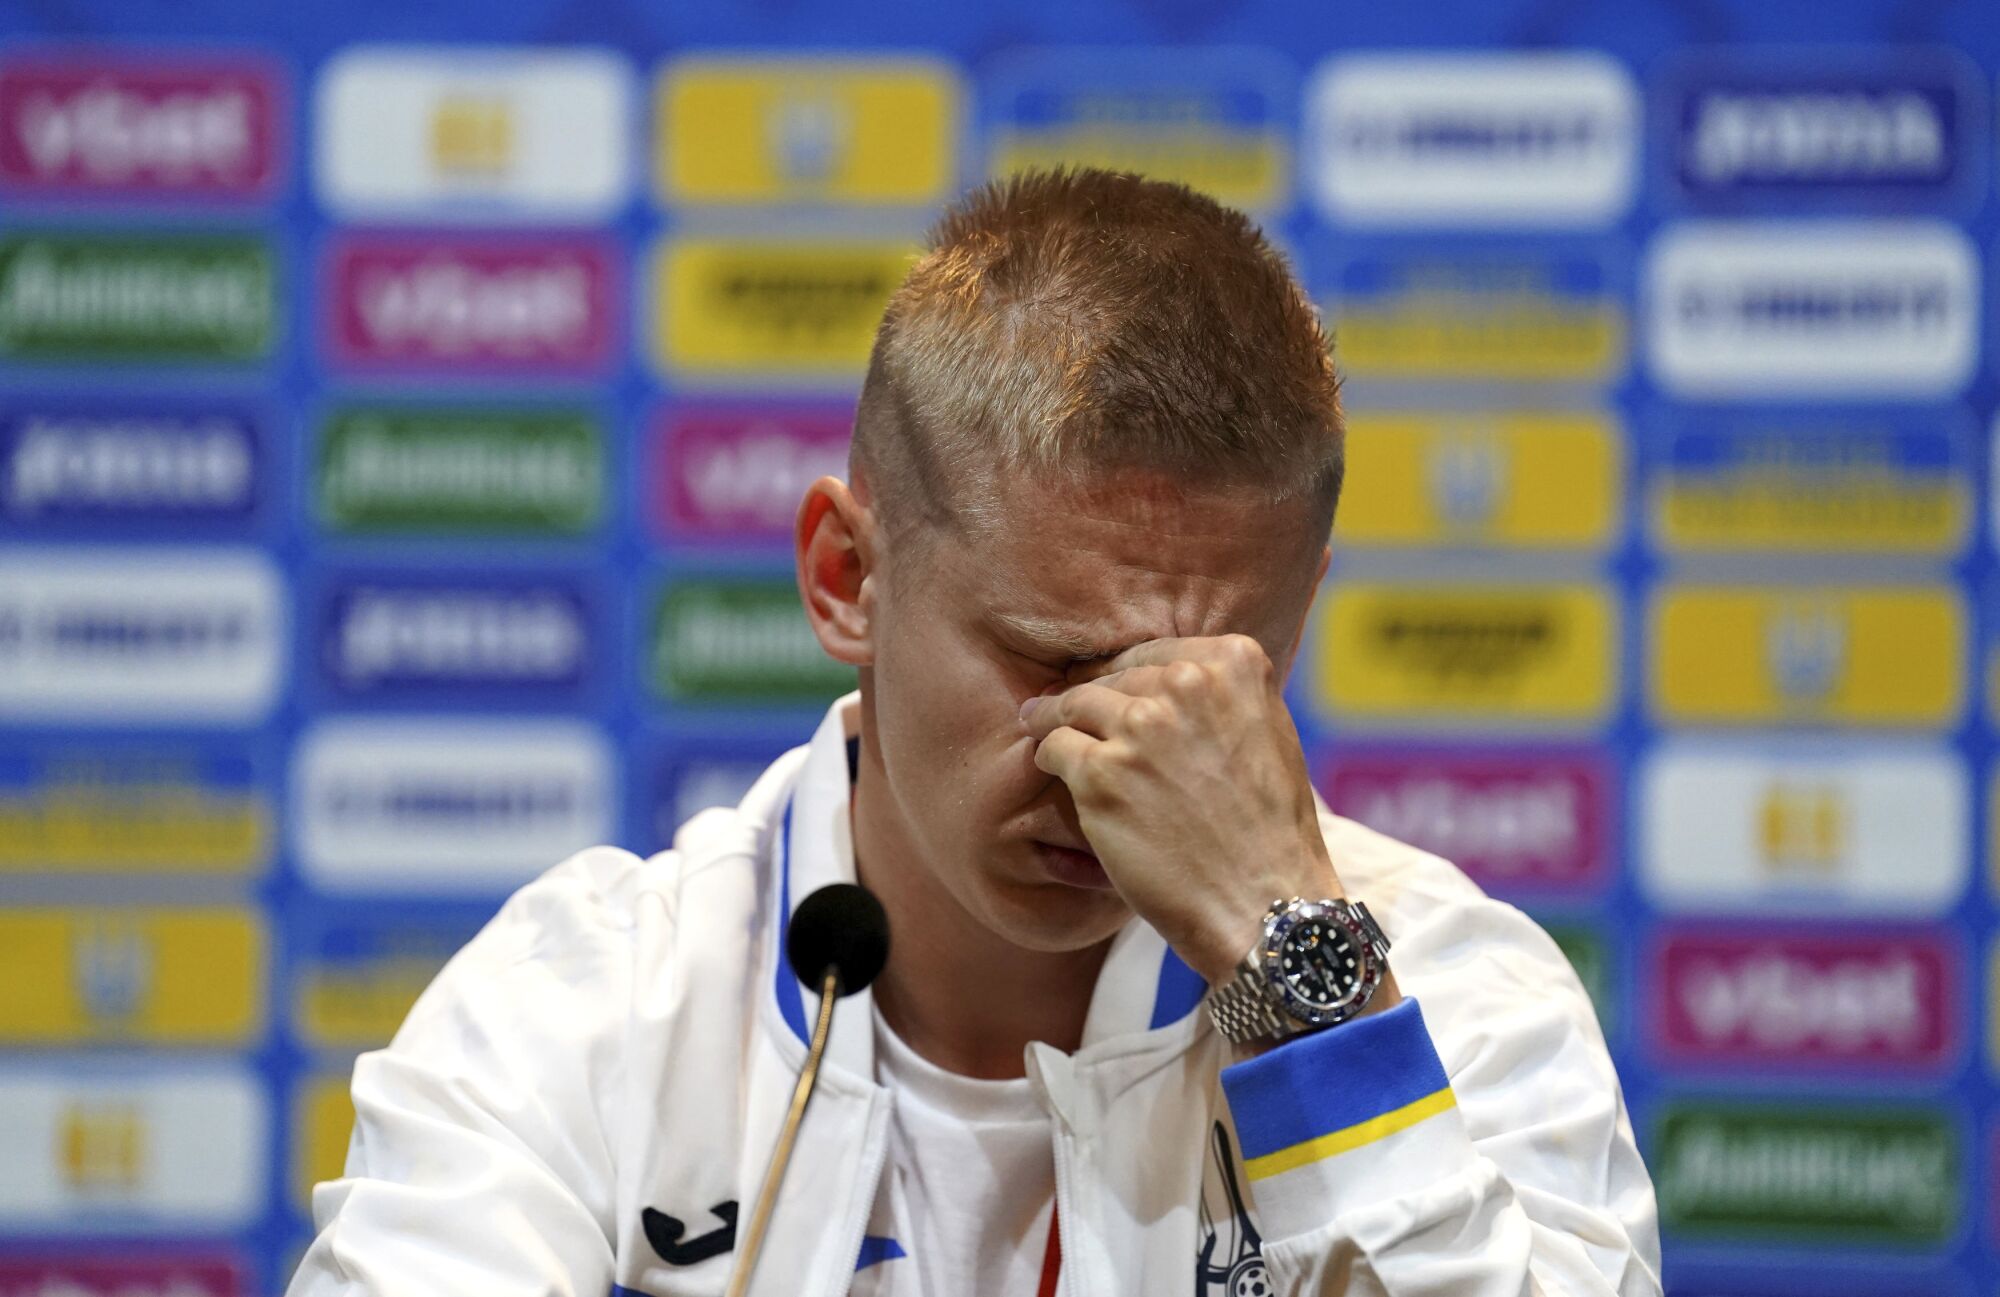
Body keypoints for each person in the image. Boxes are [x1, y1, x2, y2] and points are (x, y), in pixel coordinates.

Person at [289, 167, 1661, 1297]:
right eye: (1052, 660)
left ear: (1297, 618)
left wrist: (1297, 978)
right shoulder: (575, 1015)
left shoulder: (1458, 1002)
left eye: (1202, 679)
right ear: (847, 576)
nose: (1109, 747)